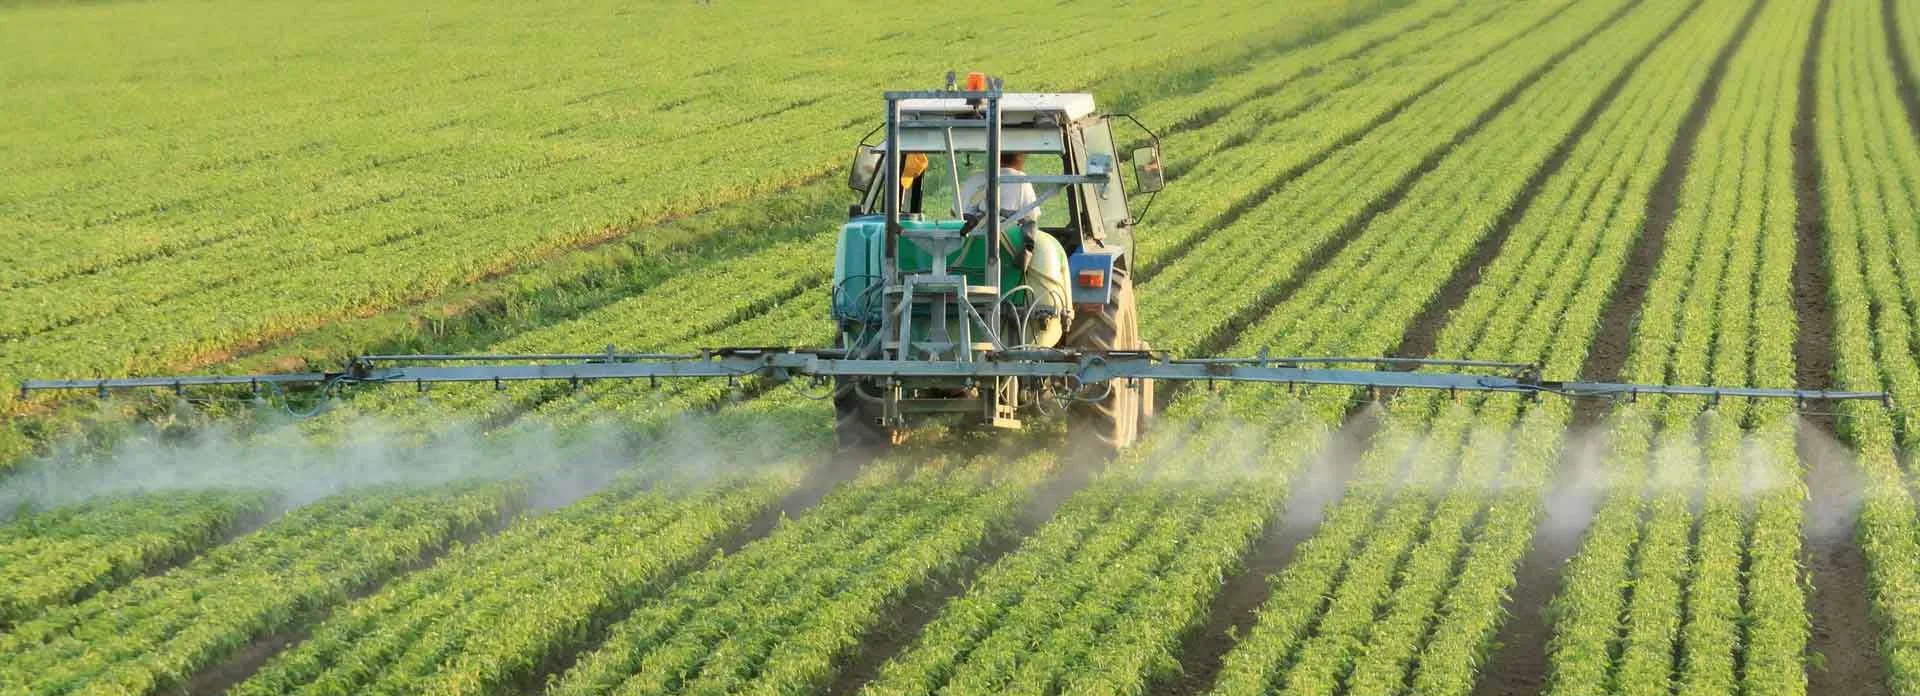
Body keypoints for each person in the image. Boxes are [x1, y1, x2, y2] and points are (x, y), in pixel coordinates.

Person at [957, 152, 1039, 223]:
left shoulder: (974, 178)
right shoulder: (1021, 179)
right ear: (1018, 158)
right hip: (1008, 237)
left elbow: (956, 212)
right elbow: (1032, 215)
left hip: (973, 238)